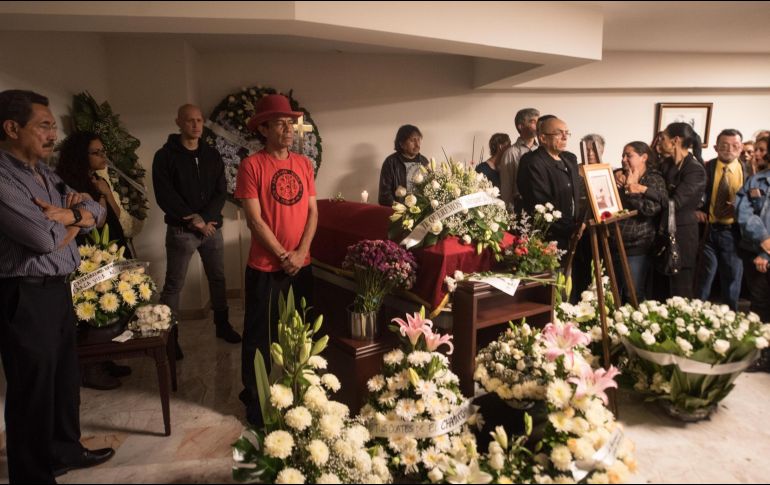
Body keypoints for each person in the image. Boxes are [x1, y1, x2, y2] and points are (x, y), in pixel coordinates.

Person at [0, 89, 113, 482]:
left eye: (53, 127)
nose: (53, 135)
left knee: (64, 380)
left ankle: (65, 451)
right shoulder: (2, 177)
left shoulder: (43, 172)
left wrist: (69, 215)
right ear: (12, 128)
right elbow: (42, 238)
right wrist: (74, 219)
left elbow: (97, 210)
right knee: (33, 391)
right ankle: (33, 474)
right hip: (25, 293)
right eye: (44, 126)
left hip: (57, 287)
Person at [235, 94, 318, 426]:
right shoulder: (251, 165)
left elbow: (313, 212)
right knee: (260, 336)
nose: (288, 129)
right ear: (264, 128)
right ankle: (254, 398)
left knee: (302, 333)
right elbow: (254, 220)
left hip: (302, 264)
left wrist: (300, 254)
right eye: (281, 123)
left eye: (290, 123)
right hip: (266, 267)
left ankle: (300, 392)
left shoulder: (304, 164)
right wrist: (284, 256)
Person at [152, 104, 241, 360]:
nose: (196, 125)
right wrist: (193, 220)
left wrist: (207, 219)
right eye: (190, 121)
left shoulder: (212, 154)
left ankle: (222, 326)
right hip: (182, 231)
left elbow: (220, 190)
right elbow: (165, 194)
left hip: (211, 228)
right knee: (173, 286)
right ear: (178, 122)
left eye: (199, 120)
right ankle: (171, 339)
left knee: (218, 278)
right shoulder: (165, 156)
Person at [57, 131, 133, 390]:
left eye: (103, 151)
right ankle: (92, 368)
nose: (103, 156)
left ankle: (107, 357)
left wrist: (105, 193)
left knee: (114, 304)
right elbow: (94, 220)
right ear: (82, 155)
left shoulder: (97, 180)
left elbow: (116, 213)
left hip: (111, 245)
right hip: (90, 252)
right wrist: (98, 198)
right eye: (97, 152)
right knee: (95, 308)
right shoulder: (69, 184)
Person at [651, 122, 707, 298]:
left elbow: (675, 203)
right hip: (661, 233)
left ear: (675, 140)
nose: (660, 142)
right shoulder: (666, 164)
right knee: (659, 290)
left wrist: (645, 190)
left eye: (663, 138)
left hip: (682, 236)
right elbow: (649, 175)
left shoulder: (695, 170)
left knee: (679, 291)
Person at [695, 129, 748, 310]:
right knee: (704, 278)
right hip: (708, 231)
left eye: (735, 146)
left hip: (733, 232)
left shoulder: (748, 171)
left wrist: (741, 208)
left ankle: (730, 317)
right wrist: (697, 210)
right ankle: (695, 314)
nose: (729, 149)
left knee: (732, 278)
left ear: (741, 148)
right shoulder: (705, 168)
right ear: (716, 147)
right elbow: (695, 194)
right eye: (724, 145)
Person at [517, 116, 582, 253]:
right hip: (549, 238)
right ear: (543, 138)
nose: (565, 137)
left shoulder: (569, 159)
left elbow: (577, 193)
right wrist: (571, 228)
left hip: (575, 235)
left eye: (567, 133)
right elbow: (540, 203)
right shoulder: (533, 162)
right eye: (559, 133)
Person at [613, 141, 667, 303]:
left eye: (629, 155)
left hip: (637, 246)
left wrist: (632, 190)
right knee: (614, 292)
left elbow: (650, 209)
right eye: (623, 155)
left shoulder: (654, 179)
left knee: (633, 293)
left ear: (644, 157)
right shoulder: (621, 174)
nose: (623, 159)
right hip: (614, 242)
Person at [736, 149, 770, 372]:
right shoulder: (755, 181)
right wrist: (764, 241)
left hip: (764, 253)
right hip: (757, 251)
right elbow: (744, 213)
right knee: (760, 305)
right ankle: (762, 355)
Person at [378, 124, 429, 206]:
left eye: (419, 139)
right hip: (398, 212)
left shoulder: (424, 161)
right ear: (401, 144)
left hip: (421, 212)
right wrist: (400, 208)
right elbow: (384, 196)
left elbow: (429, 190)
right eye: (413, 140)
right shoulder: (390, 162)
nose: (417, 144)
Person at [499, 108, 539, 210]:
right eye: (533, 122)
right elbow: (506, 187)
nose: (538, 125)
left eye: (538, 122)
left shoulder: (541, 150)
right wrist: (509, 214)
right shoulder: (511, 152)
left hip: (541, 207)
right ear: (520, 126)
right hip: (521, 207)